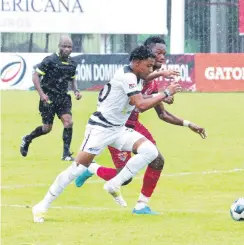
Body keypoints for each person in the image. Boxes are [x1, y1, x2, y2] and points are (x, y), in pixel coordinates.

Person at [31, 45, 182, 223]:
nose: (151, 69)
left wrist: (160, 76)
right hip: (100, 129)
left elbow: (144, 86)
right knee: (76, 169)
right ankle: (42, 206)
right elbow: (140, 105)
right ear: (137, 63)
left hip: (117, 129)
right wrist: (165, 93)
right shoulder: (128, 77)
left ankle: (114, 183)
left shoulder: (135, 74)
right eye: (148, 66)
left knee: (151, 151)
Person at [75, 36, 207, 215]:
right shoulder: (134, 75)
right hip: (115, 128)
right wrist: (163, 91)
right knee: (125, 178)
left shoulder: (151, 82)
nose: (161, 57)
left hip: (134, 126)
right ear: (145, 55)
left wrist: (188, 123)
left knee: (157, 160)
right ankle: (92, 168)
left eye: (164, 54)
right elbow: (141, 105)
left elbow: (163, 114)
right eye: (157, 53)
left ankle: (141, 205)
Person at [20, 35, 82, 161]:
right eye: (64, 46)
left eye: (69, 47)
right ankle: (28, 138)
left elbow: (72, 78)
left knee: (68, 122)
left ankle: (66, 154)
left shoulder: (72, 63)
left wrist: (76, 90)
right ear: (59, 47)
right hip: (48, 98)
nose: (67, 49)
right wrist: (42, 94)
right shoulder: (50, 60)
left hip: (63, 98)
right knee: (46, 128)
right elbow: (35, 76)